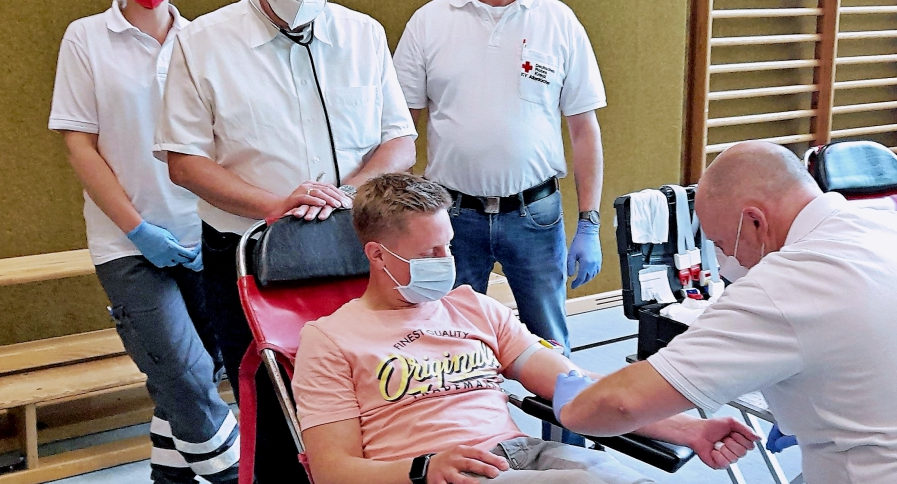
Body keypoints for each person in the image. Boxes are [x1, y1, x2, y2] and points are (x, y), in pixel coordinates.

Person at [554, 142, 897, 484]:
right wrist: (687, 426)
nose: (724, 260)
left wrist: (563, 396)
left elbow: (616, 406)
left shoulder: (789, 280)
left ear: (754, 221)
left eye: (718, 243)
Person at [154, 0, 416, 482]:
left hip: (353, 250)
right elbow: (184, 161)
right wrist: (274, 206)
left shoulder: (364, 35)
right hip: (248, 256)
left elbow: (400, 143)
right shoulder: (203, 43)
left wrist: (346, 193)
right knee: (275, 409)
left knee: (364, 392)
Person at [292, 173, 755, 484]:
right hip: (442, 473)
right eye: (429, 253)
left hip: (523, 454)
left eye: (448, 247)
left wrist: (691, 430)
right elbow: (333, 469)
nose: (446, 263)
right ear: (376, 255)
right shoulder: (330, 339)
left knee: (616, 477)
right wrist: (423, 467)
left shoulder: (472, 307)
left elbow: (577, 389)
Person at [49, 0, 238, 483]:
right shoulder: (87, 38)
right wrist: (136, 229)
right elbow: (81, 146)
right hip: (127, 242)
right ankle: (241, 474)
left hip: (203, 236)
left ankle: (170, 480)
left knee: (194, 380)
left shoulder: (205, 41)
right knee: (181, 373)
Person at [394, 0, 606, 352]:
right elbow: (399, 133)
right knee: (448, 348)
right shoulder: (428, 23)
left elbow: (584, 130)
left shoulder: (559, 22)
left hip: (535, 216)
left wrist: (589, 223)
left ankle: (562, 429)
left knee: (551, 349)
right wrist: (404, 223)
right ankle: (471, 429)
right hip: (452, 217)